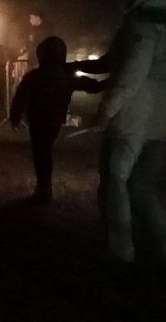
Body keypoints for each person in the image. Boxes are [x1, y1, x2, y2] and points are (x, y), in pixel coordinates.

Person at [71, 0, 166, 269]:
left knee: (114, 183)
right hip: (163, 119)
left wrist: (106, 112)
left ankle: (121, 253)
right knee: (147, 187)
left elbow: (131, 73)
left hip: (133, 117)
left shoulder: (142, 22)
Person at [9, 36, 102, 203]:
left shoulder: (35, 76)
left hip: (38, 119)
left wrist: (15, 117)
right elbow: (92, 86)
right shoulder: (65, 76)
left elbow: (20, 97)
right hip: (54, 120)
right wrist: (115, 82)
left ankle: (44, 187)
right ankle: (44, 187)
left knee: (41, 151)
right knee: (44, 150)